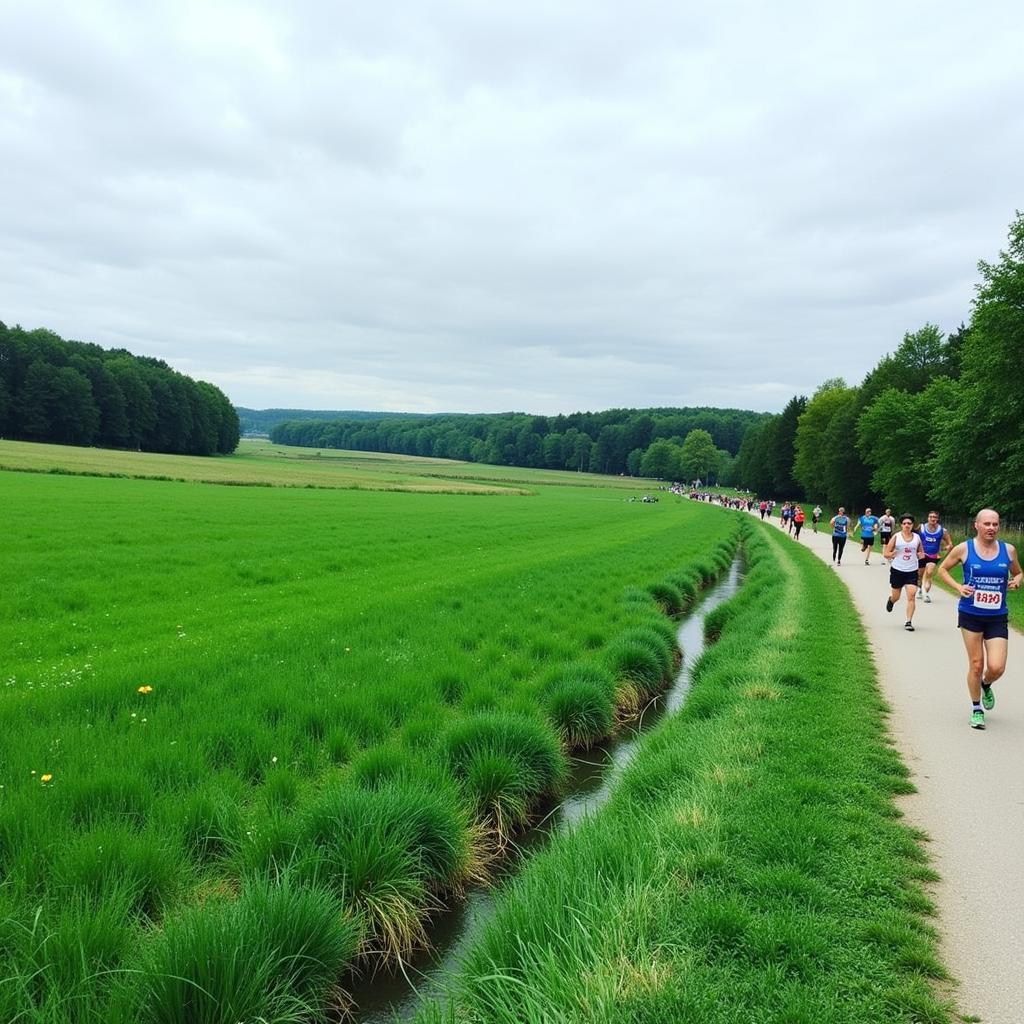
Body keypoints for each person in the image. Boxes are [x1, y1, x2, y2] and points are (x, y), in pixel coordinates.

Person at [937, 508, 1022, 729]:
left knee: (997, 667)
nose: (991, 528)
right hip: (970, 614)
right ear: (977, 525)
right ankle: (976, 709)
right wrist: (958, 586)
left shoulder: (1008, 550)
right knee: (976, 664)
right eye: (987, 524)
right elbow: (943, 569)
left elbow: (1019, 572)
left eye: (995, 524)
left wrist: (1017, 580)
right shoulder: (964, 548)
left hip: (997, 616)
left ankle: (986, 684)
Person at [884, 514, 923, 631]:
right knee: (897, 596)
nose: (907, 525)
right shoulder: (896, 537)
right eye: (904, 523)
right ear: (901, 525)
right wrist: (892, 554)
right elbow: (886, 553)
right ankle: (891, 600)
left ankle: (908, 621)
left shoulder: (917, 538)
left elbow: (921, 552)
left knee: (911, 595)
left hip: (911, 571)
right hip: (897, 570)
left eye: (909, 524)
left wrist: (921, 555)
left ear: (912, 525)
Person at [916, 511, 953, 602]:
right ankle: (920, 589)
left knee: (929, 572)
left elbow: (950, 543)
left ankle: (926, 594)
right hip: (922, 555)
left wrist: (947, 548)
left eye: (935, 517)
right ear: (928, 518)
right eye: (931, 517)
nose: (933, 519)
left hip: (934, 555)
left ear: (937, 519)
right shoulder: (921, 528)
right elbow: (913, 537)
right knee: (920, 575)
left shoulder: (942, 531)